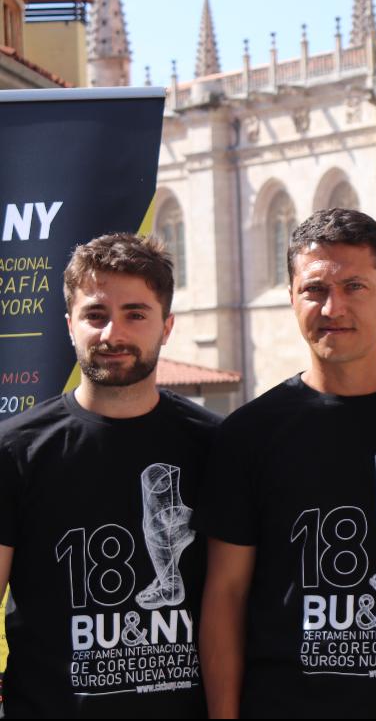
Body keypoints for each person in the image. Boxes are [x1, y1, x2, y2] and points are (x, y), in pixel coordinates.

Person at [197, 209, 376, 718]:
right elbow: (225, 595)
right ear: (291, 297)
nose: (334, 307)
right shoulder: (249, 434)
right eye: (315, 290)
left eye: (355, 286)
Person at [0, 233, 220, 716]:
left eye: (135, 314)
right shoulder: (15, 450)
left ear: (167, 327)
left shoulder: (219, 446)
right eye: (95, 315)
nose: (111, 334)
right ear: (69, 325)